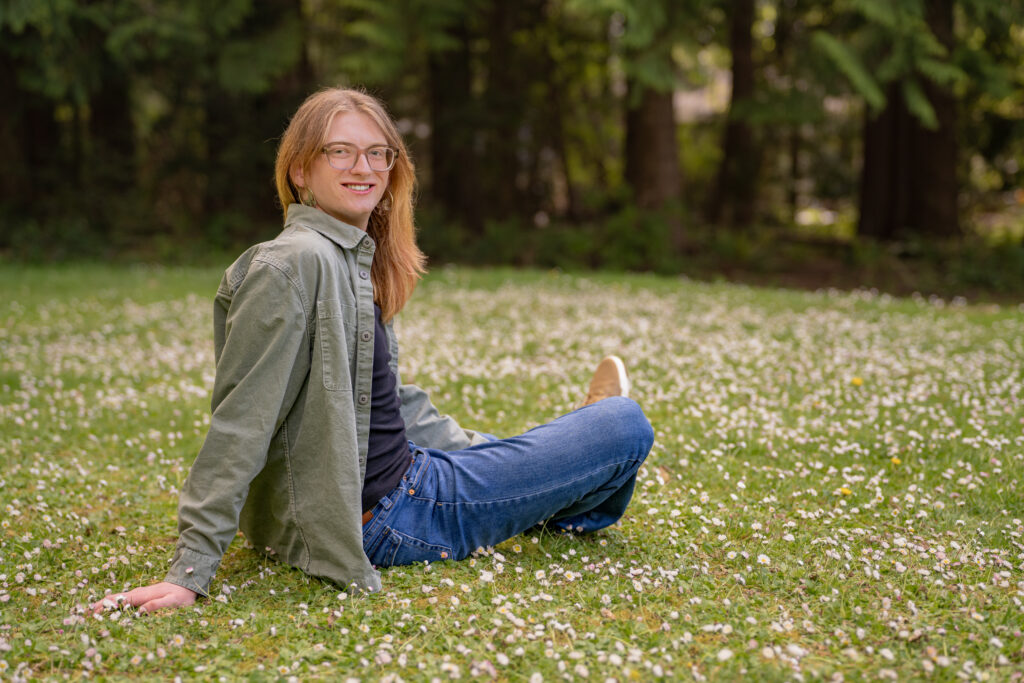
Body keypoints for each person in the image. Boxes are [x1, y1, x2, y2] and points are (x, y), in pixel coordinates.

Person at [91, 88, 654, 614]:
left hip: (406, 478)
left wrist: (490, 451)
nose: (362, 168)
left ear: (393, 166)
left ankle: (554, 470)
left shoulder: (350, 257)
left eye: (376, 153)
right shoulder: (291, 264)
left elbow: (390, 403)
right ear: (300, 169)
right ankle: (574, 464)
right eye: (340, 152)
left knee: (540, 455)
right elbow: (243, 418)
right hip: (391, 514)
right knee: (623, 426)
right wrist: (191, 570)